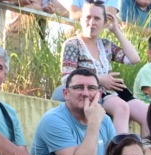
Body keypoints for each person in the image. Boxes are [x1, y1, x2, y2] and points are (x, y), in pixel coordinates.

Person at [61, 1, 144, 135]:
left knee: (146, 112)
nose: (92, 22)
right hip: (93, 92)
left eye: (97, 18)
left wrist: (116, 30)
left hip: (113, 90)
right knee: (121, 107)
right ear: (81, 19)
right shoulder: (73, 44)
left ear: (104, 22)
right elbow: (66, 78)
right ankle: (120, 146)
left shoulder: (105, 45)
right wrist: (99, 80)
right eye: (88, 17)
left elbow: (134, 59)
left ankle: (149, 147)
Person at [32, 68, 116, 155]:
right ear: (66, 94)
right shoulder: (53, 120)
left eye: (91, 88)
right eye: (78, 88)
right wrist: (94, 123)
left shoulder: (105, 120)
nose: (85, 94)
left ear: (99, 94)